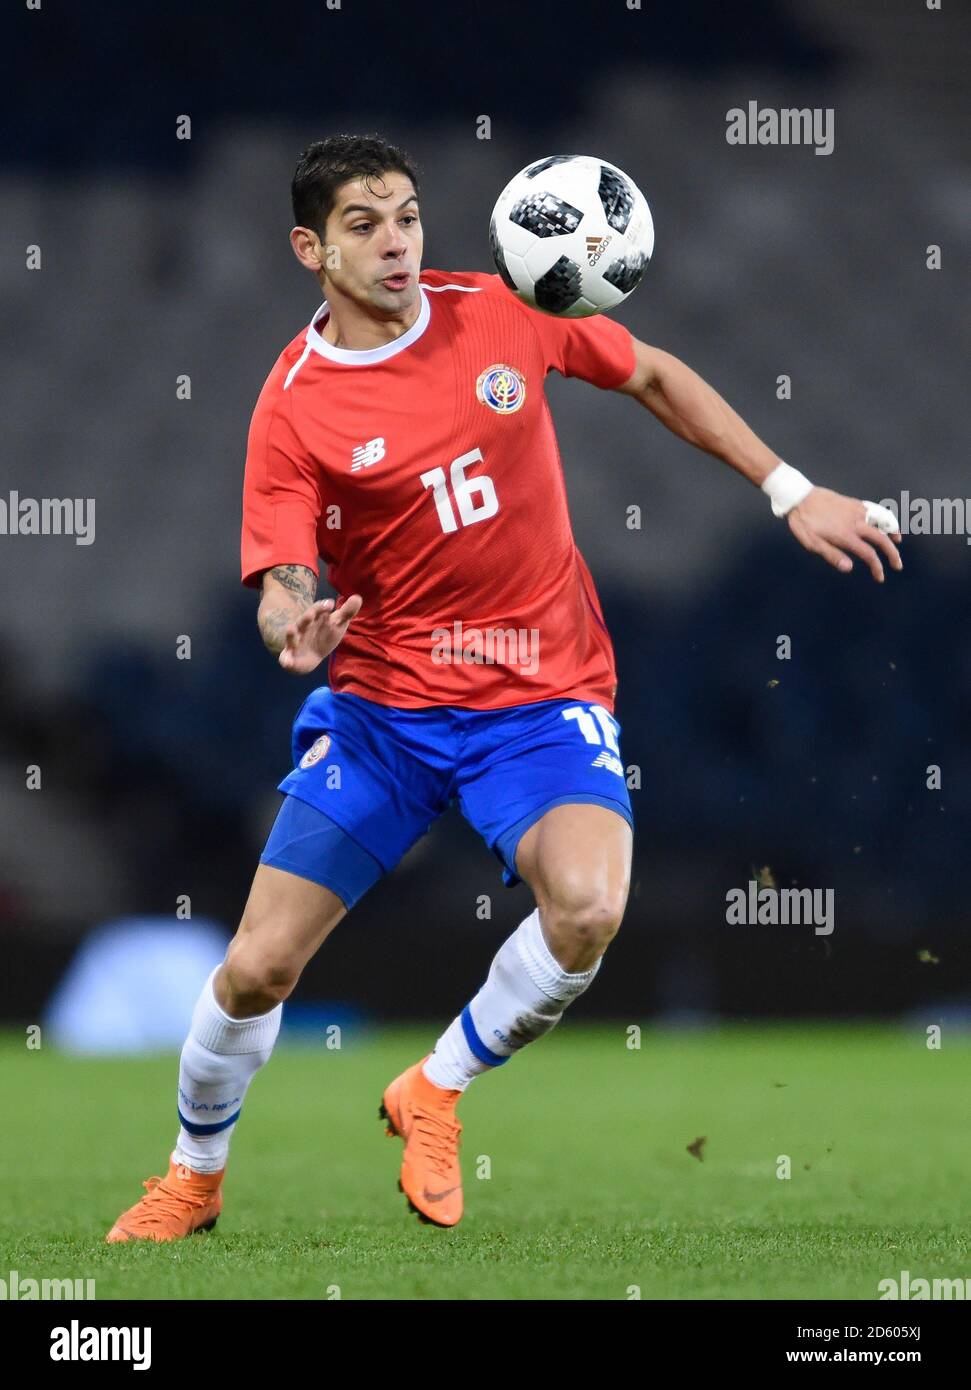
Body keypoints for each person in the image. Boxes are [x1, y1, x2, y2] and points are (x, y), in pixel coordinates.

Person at [106, 133, 902, 1241]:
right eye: (363, 224)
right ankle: (194, 1175)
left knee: (587, 906)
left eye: (406, 216)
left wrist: (789, 489)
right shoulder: (293, 407)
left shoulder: (499, 310)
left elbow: (652, 374)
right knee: (254, 968)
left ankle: (435, 1086)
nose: (395, 242)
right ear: (309, 247)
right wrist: (294, 622)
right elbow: (282, 577)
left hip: (537, 693)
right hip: (385, 711)